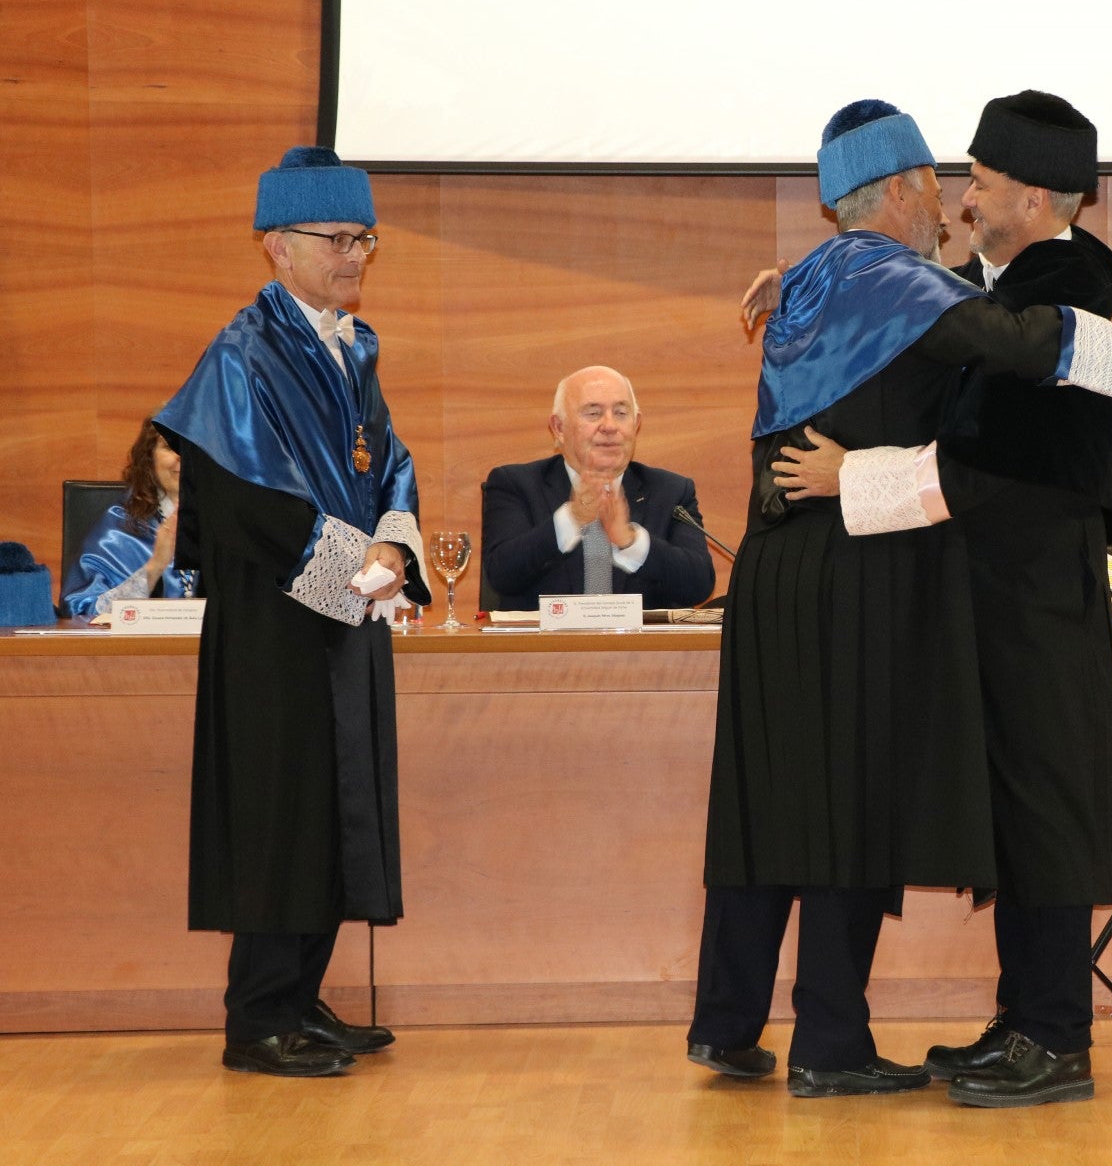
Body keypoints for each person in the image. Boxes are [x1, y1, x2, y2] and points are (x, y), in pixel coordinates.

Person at [687, 99, 1112, 1099]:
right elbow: (1011, 337)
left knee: (771, 800)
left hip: (776, 573)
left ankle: (734, 1021)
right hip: (850, 574)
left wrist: (799, 272)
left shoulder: (828, 275)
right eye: (942, 183)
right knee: (848, 802)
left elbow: (977, 325)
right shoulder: (892, 278)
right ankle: (832, 1040)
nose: (955, 204)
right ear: (897, 191)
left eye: (973, 183)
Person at [154, 146, 428, 1078]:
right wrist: (361, 572)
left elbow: (388, 462)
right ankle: (256, 1017)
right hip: (275, 626)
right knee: (279, 812)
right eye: (337, 239)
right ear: (276, 246)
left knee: (336, 809)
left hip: (345, 612)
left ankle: (302, 996)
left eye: (366, 239)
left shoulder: (353, 348)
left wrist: (395, 548)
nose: (355, 255)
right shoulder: (242, 357)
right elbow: (242, 508)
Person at [480, 366, 714, 611]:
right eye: (593, 414)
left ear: (636, 425)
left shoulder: (672, 491)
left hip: (640, 648)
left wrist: (630, 541)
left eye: (621, 413)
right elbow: (501, 574)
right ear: (558, 428)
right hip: (546, 648)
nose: (609, 426)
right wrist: (571, 519)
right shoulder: (515, 484)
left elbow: (699, 585)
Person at [61, 418, 194, 617]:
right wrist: (154, 566)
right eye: (169, 446)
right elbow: (82, 611)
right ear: (150, 458)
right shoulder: (118, 528)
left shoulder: (230, 523)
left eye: (192, 447)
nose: (181, 457)